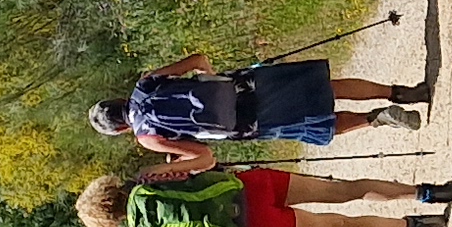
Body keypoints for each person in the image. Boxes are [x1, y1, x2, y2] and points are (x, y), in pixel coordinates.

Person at [73, 162, 452, 227]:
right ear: (108, 188)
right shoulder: (145, 178)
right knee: (341, 190)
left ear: (109, 221)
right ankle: (427, 192)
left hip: (252, 225)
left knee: (338, 225)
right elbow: (199, 166)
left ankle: (410, 225)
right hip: (250, 185)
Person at [89, 55, 428, 158]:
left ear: (120, 129)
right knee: (326, 88)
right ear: (119, 100)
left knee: (315, 122)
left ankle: (376, 119)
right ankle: (401, 93)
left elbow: (203, 156)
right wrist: (211, 78)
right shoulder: (145, 84)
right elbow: (198, 60)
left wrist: (178, 159)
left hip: (246, 123)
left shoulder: (147, 137)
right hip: (244, 86)